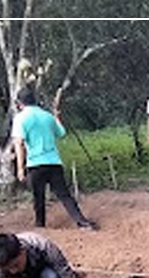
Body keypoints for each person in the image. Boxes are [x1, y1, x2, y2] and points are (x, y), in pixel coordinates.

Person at [11, 87, 96, 230]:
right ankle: (82, 222)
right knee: (64, 195)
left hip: (35, 163)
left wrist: (20, 168)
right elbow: (61, 133)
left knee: (38, 197)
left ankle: (40, 225)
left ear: (20, 103)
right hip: (54, 161)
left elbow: (19, 143)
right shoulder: (47, 116)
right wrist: (56, 117)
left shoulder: (20, 118)